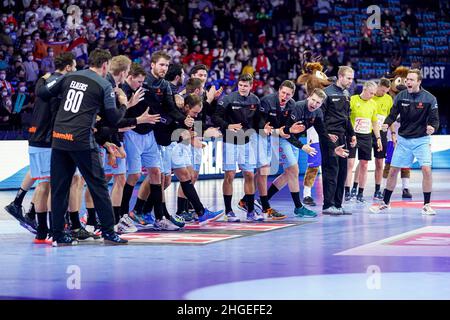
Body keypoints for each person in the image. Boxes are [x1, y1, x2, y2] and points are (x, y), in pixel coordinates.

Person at [37, 49, 129, 246]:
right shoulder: (104, 84)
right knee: (99, 186)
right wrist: (123, 104)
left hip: (60, 137)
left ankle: (59, 235)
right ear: (105, 65)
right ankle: (109, 232)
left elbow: (43, 93)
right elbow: (114, 120)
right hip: (81, 141)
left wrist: (48, 77)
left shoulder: (69, 76)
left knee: (60, 187)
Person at [370, 69, 439, 215]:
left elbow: (435, 120)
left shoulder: (430, 98)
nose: (408, 82)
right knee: (393, 170)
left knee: (426, 170)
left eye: (411, 80)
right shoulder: (401, 96)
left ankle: (426, 204)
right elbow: (393, 114)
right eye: (407, 79)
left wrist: (433, 127)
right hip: (403, 140)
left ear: (419, 82)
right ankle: (385, 203)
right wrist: (387, 123)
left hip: (421, 140)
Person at [212, 73, 263, 222]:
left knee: (249, 175)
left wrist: (264, 128)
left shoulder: (255, 100)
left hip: (246, 142)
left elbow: (258, 121)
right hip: (229, 141)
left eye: (245, 85)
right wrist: (228, 126)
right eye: (240, 85)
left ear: (251, 86)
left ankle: (251, 211)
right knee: (230, 175)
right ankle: (229, 211)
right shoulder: (228, 99)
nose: (242, 88)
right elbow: (216, 117)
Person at [320, 66, 356, 216]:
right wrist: (327, 135)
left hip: (343, 136)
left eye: (352, 78)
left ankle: (338, 204)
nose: (351, 81)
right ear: (340, 76)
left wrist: (352, 134)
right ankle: (328, 205)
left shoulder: (347, 93)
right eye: (348, 78)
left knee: (342, 171)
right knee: (331, 170)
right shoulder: (326, 93)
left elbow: (346, 117)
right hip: (330, 137)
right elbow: (319, 118)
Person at [344, 81, 382, 203]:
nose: (372, 95)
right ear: (364, 89)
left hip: (366, 136)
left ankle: (360, 192)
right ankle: (347, 191)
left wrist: (378, 138)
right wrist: (349, 133)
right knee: (349, 164)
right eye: (371, 93)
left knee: (364, 165)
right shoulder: (353, 100)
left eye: (374, 93)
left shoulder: (373, 104)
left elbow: (375, 122)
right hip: (352, 135)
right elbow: (345, 118)